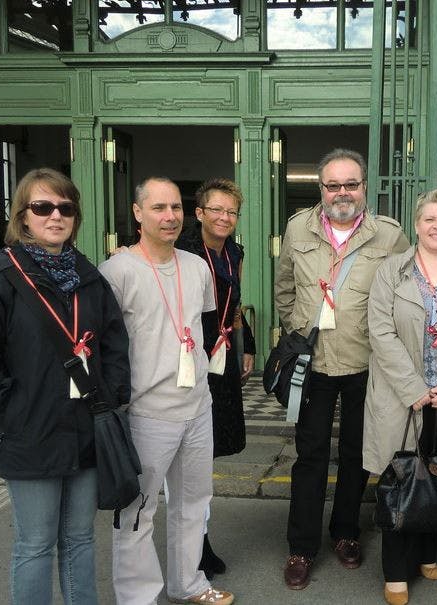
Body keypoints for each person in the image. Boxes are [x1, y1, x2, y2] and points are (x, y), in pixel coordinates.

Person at [0, 168, 131, 605]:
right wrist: (10, 406)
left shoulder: (89, 276)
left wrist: (109, 396)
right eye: (43, 207)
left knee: (79, 539)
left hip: (86, 426)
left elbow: (114, 343)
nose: (55, 216)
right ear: (23, 215)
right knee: (35, 543)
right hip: (29, 429)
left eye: (65, 208)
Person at [275, 148, 409, 590]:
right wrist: (296, 330)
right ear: (321, 189)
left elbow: (405, 294)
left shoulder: (389, 236)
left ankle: (346, 532)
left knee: (356, 454)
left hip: (365, 364)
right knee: (309, 456)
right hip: (313, 365)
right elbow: (284, 288)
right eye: (333, 185)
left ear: (364, 187)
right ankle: (301, 546)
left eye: (351, 184)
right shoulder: (298, 227)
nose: (342, 192)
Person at [100, 177, 234, 605]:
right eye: (158, 208)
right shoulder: (117, 271)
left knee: (194, 503)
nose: (169, 216)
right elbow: (103, 343)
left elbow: (206, 326)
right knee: (138, 512)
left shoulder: (196, 267)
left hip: (198, 406)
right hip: (146, 412)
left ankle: (187, 584)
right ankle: (137, 598)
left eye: (175, 207)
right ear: (138, 213)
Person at [362, 189, 437, 605]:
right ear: (417, 224)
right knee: (402, 476)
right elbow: (380, 332)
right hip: (404, 395)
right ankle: (396, 571)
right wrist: (415, 389)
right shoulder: (391, 271)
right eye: (430, 219)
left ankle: (428, 553)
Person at [176, 177, 256, 580]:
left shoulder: (234, 251)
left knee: (205, 454)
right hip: (187, 362)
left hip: (220, 359)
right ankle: (194, 545)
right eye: (217, 210)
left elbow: (235, 302)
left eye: (231, 211)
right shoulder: (183, 251)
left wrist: (246, 344)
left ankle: (199, 538)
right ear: (200, 213)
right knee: (186, 458)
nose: (225, 217)